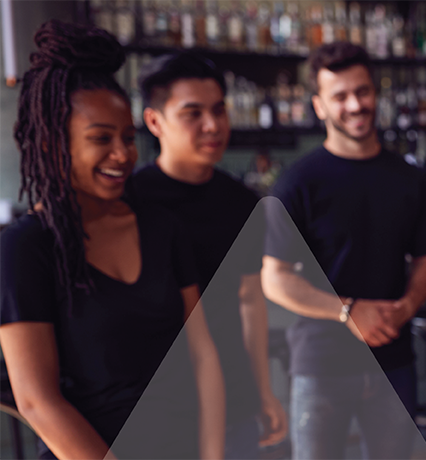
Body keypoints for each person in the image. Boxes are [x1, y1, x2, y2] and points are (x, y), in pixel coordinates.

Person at [0, 21, 225, 460]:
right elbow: (37, 401)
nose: (122, 154)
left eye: (127, 137)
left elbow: (203, 355)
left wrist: (213, 452)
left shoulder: (162, 227)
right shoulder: (26, 249)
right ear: (51, 144)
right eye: (101, 139)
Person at [260, 42, 426, 460]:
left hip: (394, 359)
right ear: (319, 106)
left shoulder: (409, 179)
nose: (355, 105)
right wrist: (348, 310)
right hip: (320, 363)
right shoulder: (297, 183)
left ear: (375, 93)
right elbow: (276, 278)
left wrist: (409, 304)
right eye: (340, 96)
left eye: (362, 92)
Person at [130, 52, 288, 459]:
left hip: (233, 394)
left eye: (219, 110)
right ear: (154, 122)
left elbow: (250, 301)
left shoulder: (242, 202)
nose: (213, 125)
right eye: (192, 113)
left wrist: (264, 391)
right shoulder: (130, 201)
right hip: (153, 398)